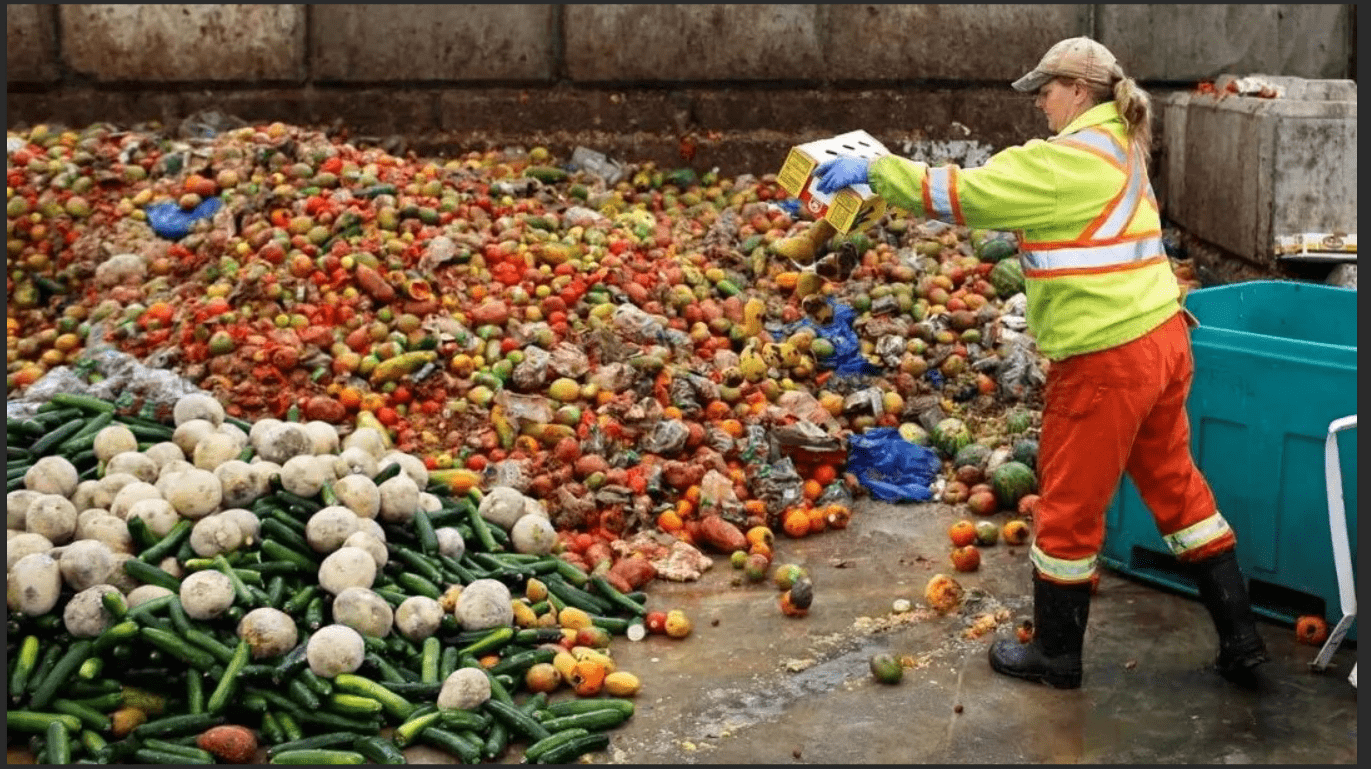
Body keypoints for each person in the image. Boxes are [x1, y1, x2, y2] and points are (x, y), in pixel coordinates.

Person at [812, 37, 1268, 689]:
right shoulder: (1121, 145)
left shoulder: (1067, 160)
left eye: (1044, 92)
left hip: (1106, 357)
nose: (1039, 106)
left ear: (1078, 91)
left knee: (1066, 506)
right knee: (1176, 489)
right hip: (1162, 338)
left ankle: (1055, 653)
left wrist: (875, 171)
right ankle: (1241, 637)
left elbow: (968, 194)